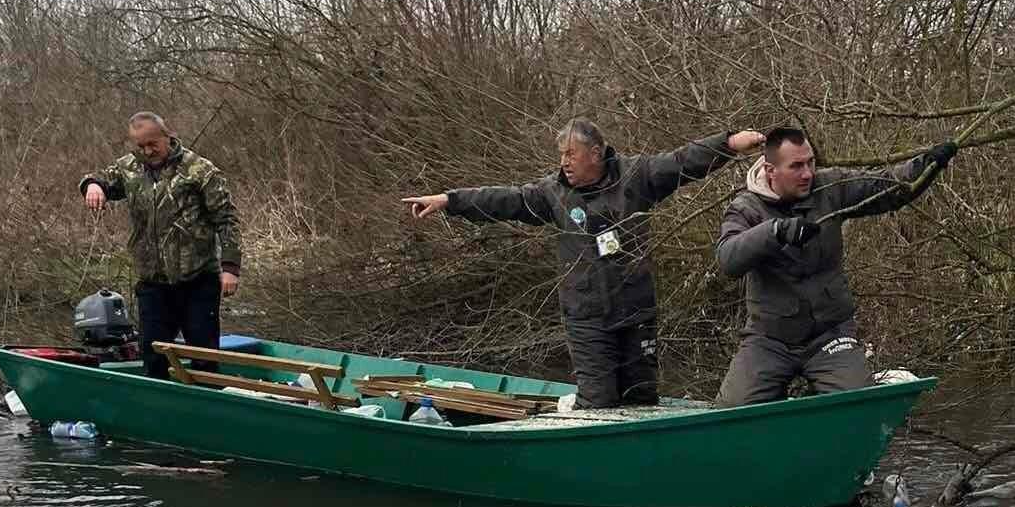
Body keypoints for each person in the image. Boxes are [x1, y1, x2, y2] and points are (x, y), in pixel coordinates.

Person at [405, 119, 766, 408]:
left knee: (641, 398)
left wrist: (729, 143)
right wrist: (450, 201)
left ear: (595, 153)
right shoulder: (553, 193)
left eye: (570, 154)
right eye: (561, 154)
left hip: (636, 313)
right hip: (587, 318)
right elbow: (504, 200)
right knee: (599, 401)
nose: (564, 161)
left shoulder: (636, 176)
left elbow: (683, 161)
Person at [712, 127, 956, 407]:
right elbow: (728, 259)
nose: (807, 173)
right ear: (771, 170)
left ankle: (822, 397)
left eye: (811, 162)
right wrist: (776, 231)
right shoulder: (746, 207)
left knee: (858, 406)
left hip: (829, 335)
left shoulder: (829, 186)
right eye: (796, 166)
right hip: (769, 340)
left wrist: (927, 165)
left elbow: (885, 186)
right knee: (731, 412)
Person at [80, 112, 243, 379]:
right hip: (153, 284)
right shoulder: (129, 167)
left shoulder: (199, 170)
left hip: (197, 280)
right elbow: (99, 177)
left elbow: (226, 219)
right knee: (154, 359)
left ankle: (208, 399)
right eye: (141, 146)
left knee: (204, 359)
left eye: (152, 144)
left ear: (167, 136)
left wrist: (230, 267)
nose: (147, 151)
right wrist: (93, 186)